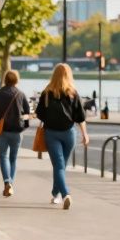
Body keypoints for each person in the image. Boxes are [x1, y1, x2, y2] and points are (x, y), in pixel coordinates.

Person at [34, 63, 90, 208]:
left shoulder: (47, 92)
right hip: (69, 133)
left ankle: (61, 194)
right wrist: (85, 134)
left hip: (51, 133)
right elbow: (80, 117)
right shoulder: (73, 93)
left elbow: (39, 113)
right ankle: (59, 194)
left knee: (59, 166)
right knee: (61, 165)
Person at [0, 70, 29, 197]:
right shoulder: (20, 94)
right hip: (17, 131)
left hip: (2, 131)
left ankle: (6, 182)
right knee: (13, 159)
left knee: (3, 157)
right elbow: (26, 112)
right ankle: (10, 183)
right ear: (17, 80)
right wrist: (24, 125)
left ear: (5, 79)